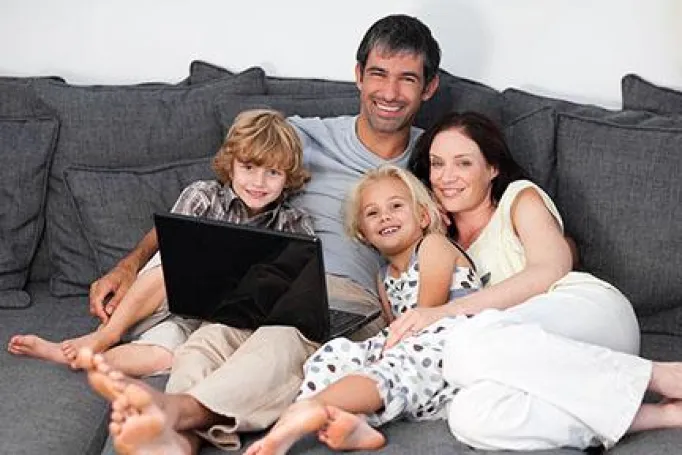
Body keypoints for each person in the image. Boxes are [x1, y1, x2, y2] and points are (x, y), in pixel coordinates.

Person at [84, 14, 443, 454]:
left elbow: (484, 220)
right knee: (205, 342)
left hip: (346, 298)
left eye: (407, 79)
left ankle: (175, 413)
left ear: (429, 88)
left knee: (282, 337)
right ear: (357, 75)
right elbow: (209, 204)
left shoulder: (438, 159)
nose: (389, 92)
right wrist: (130, 264)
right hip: (261, 285)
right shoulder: (302, 136)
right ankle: (173, 440)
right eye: (378, 74)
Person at [397, 111, 669, 450]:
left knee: (465, 344)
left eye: (463, 163)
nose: (446, 176)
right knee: (470, 415)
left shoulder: (518, 199)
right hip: (544, 363)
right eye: (437, 164)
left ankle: (662, 376)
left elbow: (550, 268)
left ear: (492, 168)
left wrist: (450, 311)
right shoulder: (438, 246)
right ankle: (656, 415)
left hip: (588, 313)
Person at [7, 108, 314, 377]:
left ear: (287, 178)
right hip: (162, 299)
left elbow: (292, 287)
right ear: (231, 165)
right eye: (249, 168)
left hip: (212, 322)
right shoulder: (203, 196)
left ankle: (87, 358)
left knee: (167, 356)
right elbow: (172, 248)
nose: (258, 183)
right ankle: (105, 336)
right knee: (173, 261)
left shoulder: (294, 223)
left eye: (272, 173)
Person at [245, 165, 482, 454]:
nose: (385, 216)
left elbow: (425, 315)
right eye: (372, 213)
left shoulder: (434, 245)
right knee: (338, 353)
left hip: (454, 340)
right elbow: (393, 329)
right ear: (363, 233)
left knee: (395, 364)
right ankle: (352, 420)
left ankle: (303, 415)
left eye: (396, 206)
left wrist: (386, 353)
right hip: (411, 347)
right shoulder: (383, 278)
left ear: (422, 216)